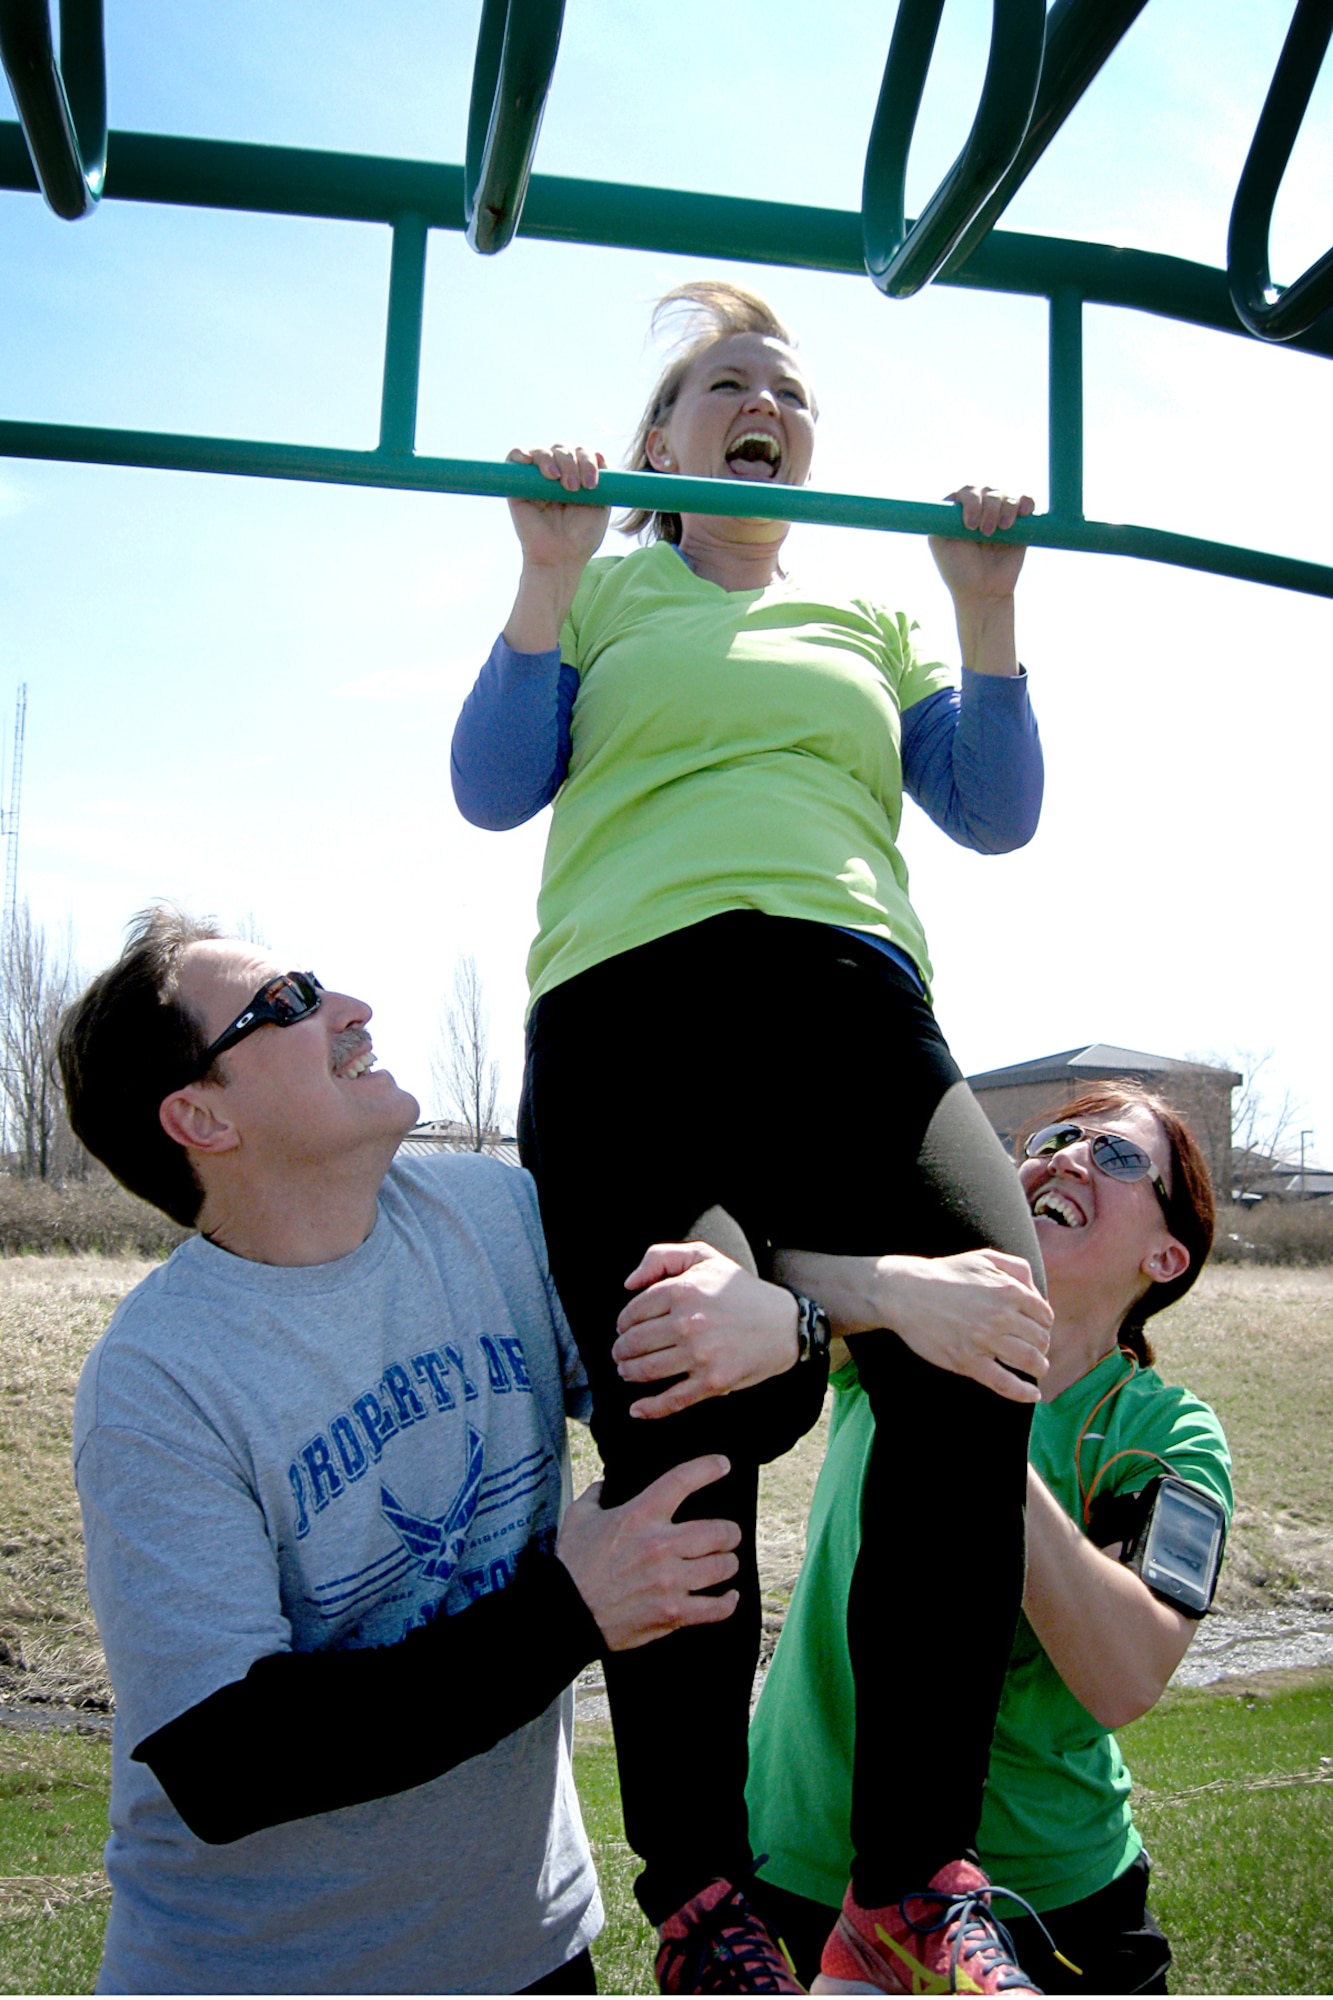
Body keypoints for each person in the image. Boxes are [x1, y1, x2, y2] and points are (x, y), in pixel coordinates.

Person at [451, 277, 1050, 1992]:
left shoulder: (862, 614)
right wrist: (546, 572)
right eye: (722, 380)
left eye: (782, 383)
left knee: (990, 1327)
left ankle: (907, 1876)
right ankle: (704, 1891)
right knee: (688, 1384)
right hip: (637, 1024)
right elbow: (495, 787)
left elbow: (991, 814)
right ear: (662, 442)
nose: (759, 399)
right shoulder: (614, 588)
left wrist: (982, 608)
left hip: (858, 1022)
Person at [57, 906, 744, 1996]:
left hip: (530, 1944)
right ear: (199, 1115)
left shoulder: (491, 1212)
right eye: (284, 1004)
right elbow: (229, 1757)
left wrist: (816, 1303)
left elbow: (683, 1368)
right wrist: (571, 1607)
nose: (350, 1008)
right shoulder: (158, 1380)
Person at [613, 1086, 1230, 1993]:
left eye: (1119, 1157)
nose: (1065, 1158)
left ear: (1165, 1256)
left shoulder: (1162, 1433)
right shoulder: (899, 1338)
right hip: (796, 1868)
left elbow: (1125, 1675)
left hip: (1041, 1901)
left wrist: (976, 1421)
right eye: (1054, 1138)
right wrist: (895, 1295)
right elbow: (755, 1276)